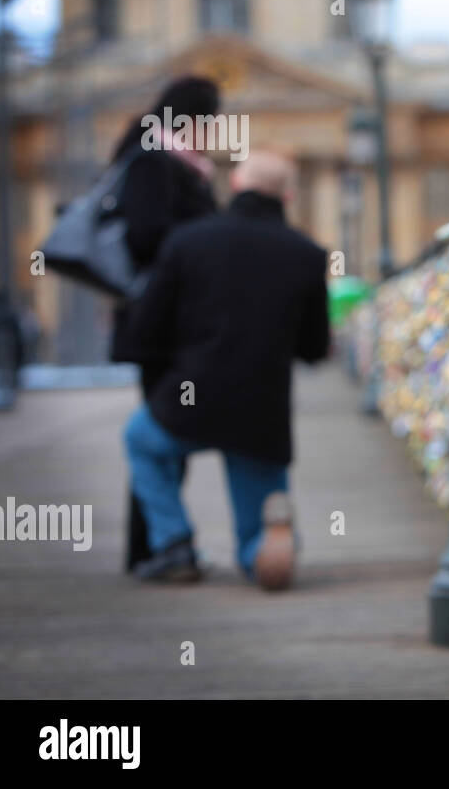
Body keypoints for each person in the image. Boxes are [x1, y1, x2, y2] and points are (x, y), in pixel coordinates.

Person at [119, 152, 330, 590]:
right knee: (257, 505)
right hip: (262, 405)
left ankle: (175, 543)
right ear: (288, 195)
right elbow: (314, 348)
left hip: (192, 391)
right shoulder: (307, 254)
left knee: (142, 441)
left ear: (235, 183)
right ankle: (262, 550)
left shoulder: (188, 241)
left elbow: (148, 325)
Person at [109, 76, 221, 572]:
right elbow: (145, 236)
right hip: (159, 328)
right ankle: (154, 549)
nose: (214, 134)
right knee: (158, 435)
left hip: (176, 323)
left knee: (163, 436)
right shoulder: (152, 161)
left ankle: (160, 546)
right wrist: (208, 238)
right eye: (209, 123)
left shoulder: (176, 164)